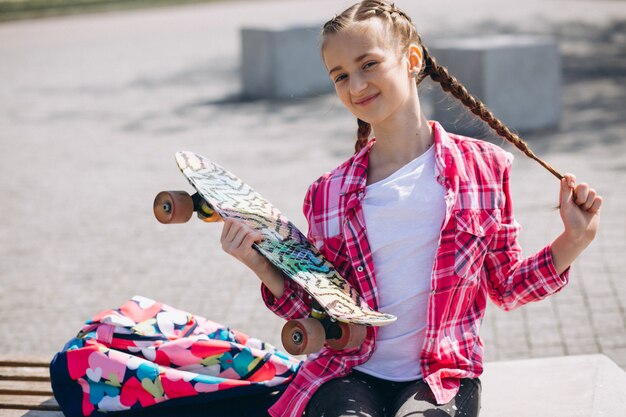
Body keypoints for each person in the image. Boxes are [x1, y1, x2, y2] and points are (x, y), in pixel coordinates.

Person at [220, 1, 603, 416]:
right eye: (341, 75)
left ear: (412, 60)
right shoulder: (327, 193)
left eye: (368, 64)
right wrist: (260, 265)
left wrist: (574, 239)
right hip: (347, 371)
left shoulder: (484, 168)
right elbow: (321, 310)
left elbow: (505, 286)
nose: (356, 85)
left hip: (440, 376)